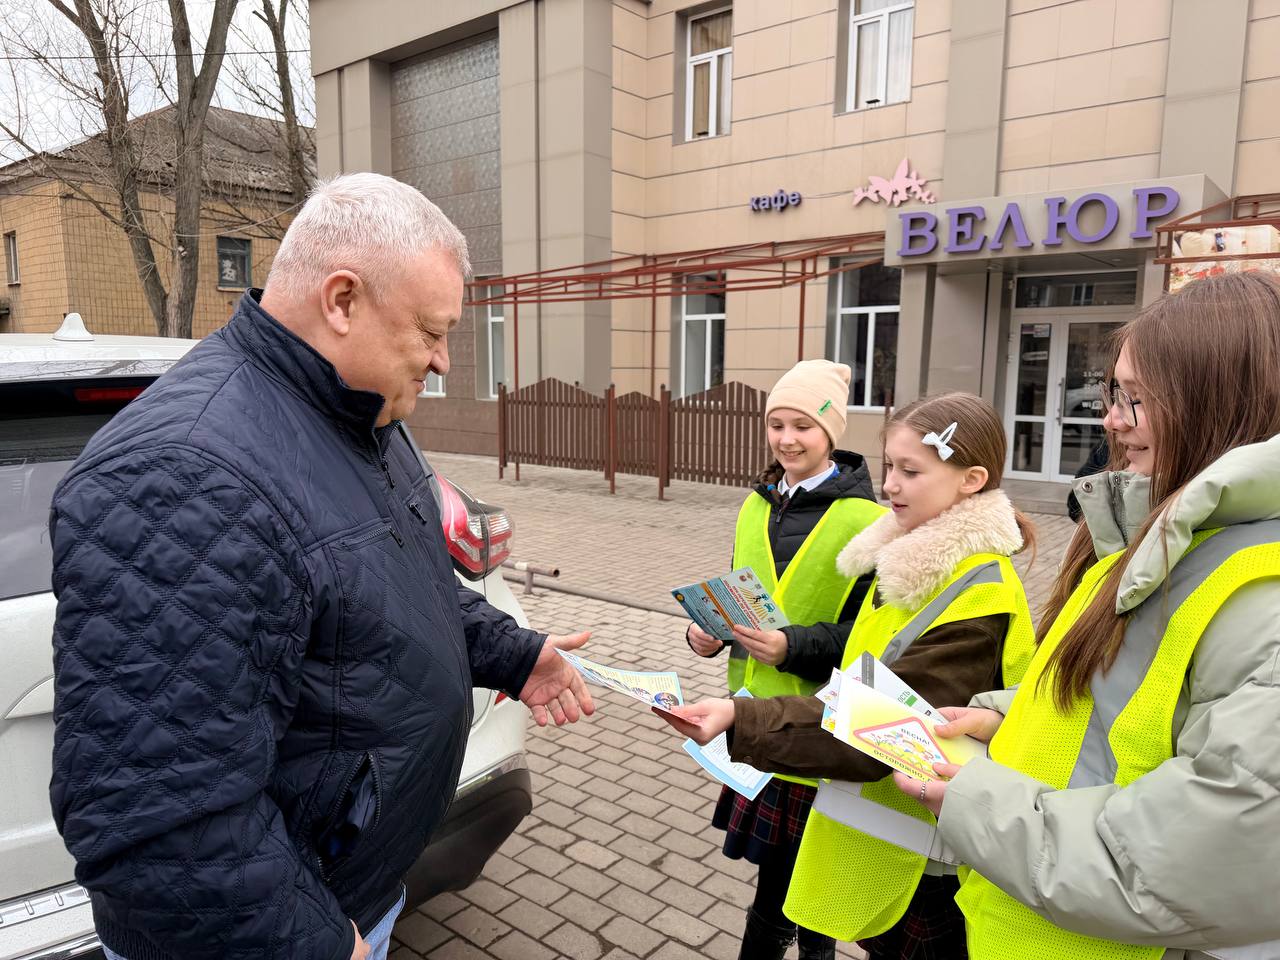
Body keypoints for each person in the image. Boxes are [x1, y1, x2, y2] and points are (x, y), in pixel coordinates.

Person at [47, 173, 595, 960]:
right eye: (432, 331)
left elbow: (396, 588)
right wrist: (312, 942)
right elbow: (162, 816)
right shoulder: (185, 475)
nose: (444, 361)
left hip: (351, 890)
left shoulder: (360, 414)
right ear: (342, 302)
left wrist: (515, 651)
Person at [898, 272, 1280, 960]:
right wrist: (1013, 716)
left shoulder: (1262, 592)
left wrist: (978, 799)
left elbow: (1191, 858)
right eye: (1113, 394)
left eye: (1136, 400)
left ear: (1226, 404)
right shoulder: (1152, 537)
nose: (1110, 420)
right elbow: (1137, 713)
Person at [666, 391, 1037, 960]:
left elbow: (887, 725)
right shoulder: (908, 560)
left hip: (928, 854)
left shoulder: (968, 588)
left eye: (911, 470)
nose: (890, 484)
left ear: (971, 479)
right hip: (876, 818)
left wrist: (743, 715)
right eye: (890, 466)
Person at [684, 358, 884, 960]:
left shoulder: (866, 521)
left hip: (817, 725)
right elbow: (744, 592)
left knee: (784, 887)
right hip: (757, 724)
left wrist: (794, 645)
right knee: (799, 877)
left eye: (802, 425)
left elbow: (871, 636)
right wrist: (711, 633)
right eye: (776, 424)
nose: (787, 439)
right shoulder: (755, 505)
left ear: (831, 433)